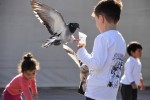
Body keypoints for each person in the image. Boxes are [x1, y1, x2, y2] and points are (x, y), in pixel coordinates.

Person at [76, 0, 126, 100]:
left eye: (96, 20)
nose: (96, 24)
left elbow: (96, 65)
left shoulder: (102, 38)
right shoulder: (121, 39)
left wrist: (81, 51)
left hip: (96, 93)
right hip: (110, 94)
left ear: (101, 18)